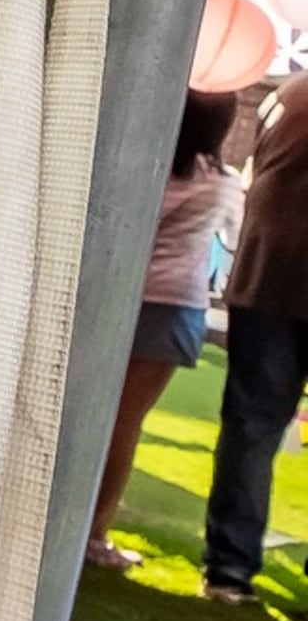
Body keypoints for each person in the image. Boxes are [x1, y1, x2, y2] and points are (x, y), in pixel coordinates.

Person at [88, 89, 243, 572]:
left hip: (112, 297)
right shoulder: (222, 183)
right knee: (124, 423)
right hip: (174, 306)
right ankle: (94, 534)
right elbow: (234, 238)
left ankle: (65, 520)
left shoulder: (141, 167)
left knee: (89, 414)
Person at [208, 80, 308, 601]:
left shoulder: (291, 94)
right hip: (270, 279)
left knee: (251, 426)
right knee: (252, 425)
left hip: (265, 277)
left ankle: (228, 568)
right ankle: (229, 563)